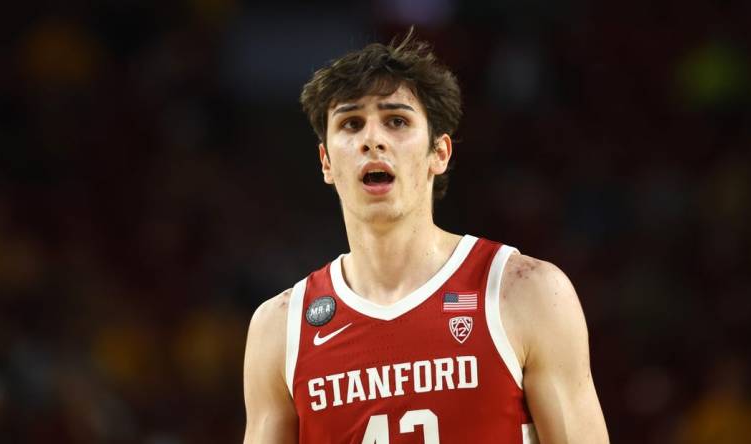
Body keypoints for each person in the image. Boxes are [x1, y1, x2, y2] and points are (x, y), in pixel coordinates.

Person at [243, 30, 609, 444]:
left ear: (440, 152)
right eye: (351, 123)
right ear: (326, 161)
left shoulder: (526, 292)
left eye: (396, 121)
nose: (372, 140)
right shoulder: (280, 328)